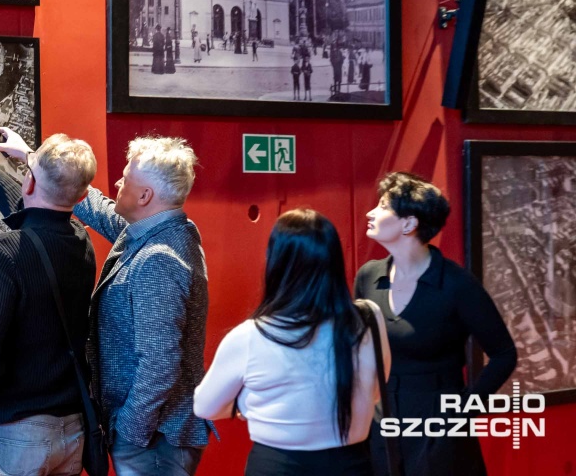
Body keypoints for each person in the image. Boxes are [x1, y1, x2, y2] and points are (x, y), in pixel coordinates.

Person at [0, 110, 99, 476]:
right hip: (71, 430)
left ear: (28, 182)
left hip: (14, 436)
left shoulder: (4, 253)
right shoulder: (82, 241)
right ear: (83, 194)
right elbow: (40, 212)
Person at [195, 210, 389, 476]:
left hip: (277, 466)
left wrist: (246, 404)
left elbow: (205, 406)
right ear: (333, 261)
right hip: (353, 464)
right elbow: (377, 387)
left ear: (276, 264)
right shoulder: (369, 317)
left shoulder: (250, 336)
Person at [354, 173, 518, 476]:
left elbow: (504, 353)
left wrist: (465, 408)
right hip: (382, 415)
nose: (370, 213)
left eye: (382, 206)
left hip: (438, 418)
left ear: (409, 224)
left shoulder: (456, 284)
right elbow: (357, 346)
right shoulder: (368, 276)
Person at [73, 136, 214, 475]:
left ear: (145, 196)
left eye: (125, 178)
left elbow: (160, 363)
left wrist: (130, 432)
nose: (118, 183)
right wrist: (34, 159)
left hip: (153, 442)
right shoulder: (165, 230)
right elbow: (103, 212)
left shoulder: (158, 259)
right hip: (153, 439)